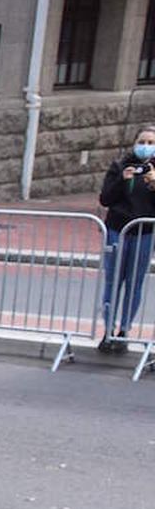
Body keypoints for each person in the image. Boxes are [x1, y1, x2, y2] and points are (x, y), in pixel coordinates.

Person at [96, 125, 155, 353]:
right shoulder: (119, 166)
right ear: (134, 142)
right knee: (113, 281)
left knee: (134, 283)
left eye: (151, 143)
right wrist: (122, 179)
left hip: (144, 233)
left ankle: (124, 330)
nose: (146, 146)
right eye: (143, 141)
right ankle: (108, 330)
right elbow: (105, 198)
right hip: (117, 230)